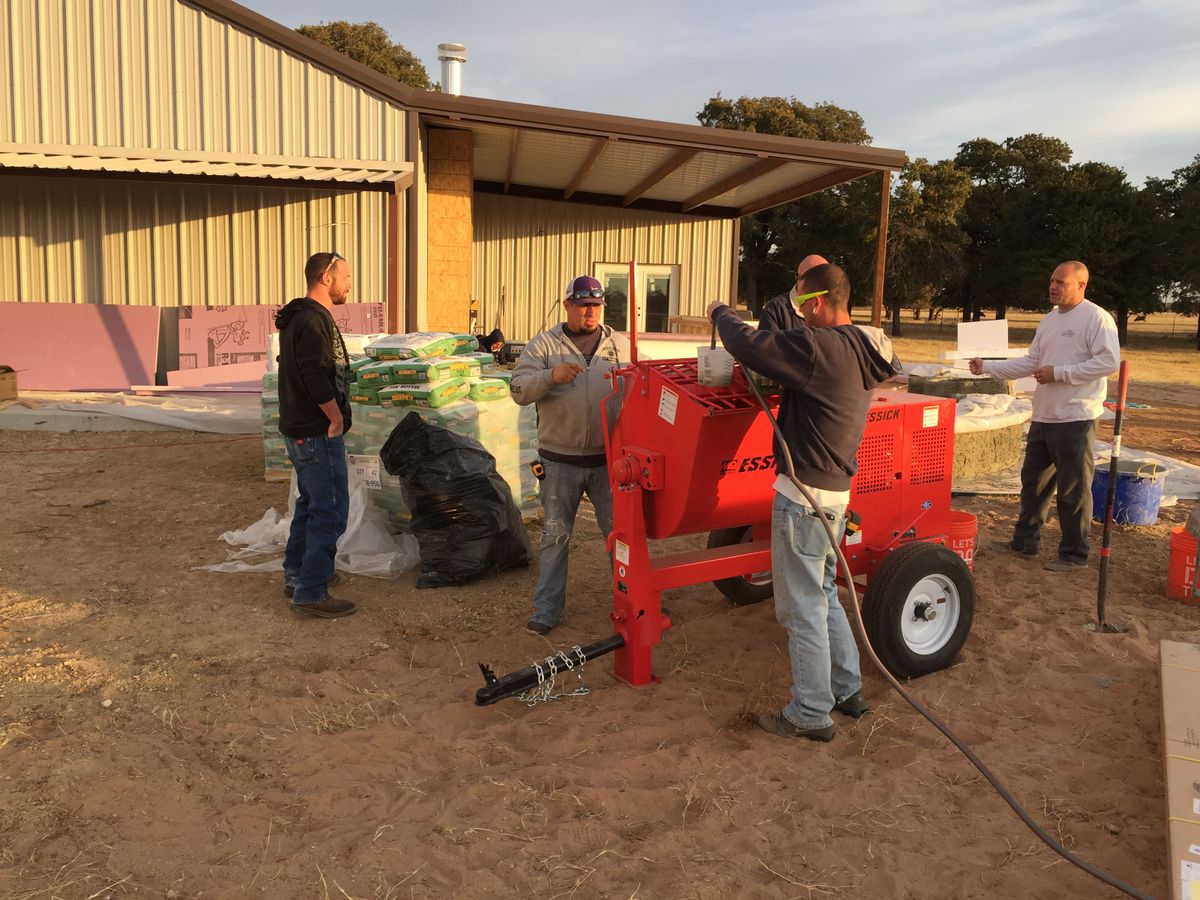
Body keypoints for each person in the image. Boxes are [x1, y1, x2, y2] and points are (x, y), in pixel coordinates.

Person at [708, 264, 896, 742]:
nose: (798, 314)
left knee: (801, 608)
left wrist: (721, 313)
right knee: (826, 594)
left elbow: (750, 346)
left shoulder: (819, 348)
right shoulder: (860, 346)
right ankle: (846, 689)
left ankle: (810, 713)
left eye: (800, 305)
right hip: (835, 493)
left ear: (815, 303)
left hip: (803, 496)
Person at [970, 261, 1119, 573]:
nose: (1053, 286)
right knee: (1033, 483)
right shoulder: (1050, 320)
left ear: (1081, 286)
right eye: (1052, 280)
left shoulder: (1096, 318)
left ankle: (1074, 554)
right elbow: (1031, 361)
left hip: (1076, 417)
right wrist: (987, 367)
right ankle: (1025, 542)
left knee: (1072, 489)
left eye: (1061, 282)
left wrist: (1060, 373)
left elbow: (1108, 362)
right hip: (1045, 415)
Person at [510, 276, 630, 636]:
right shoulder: (545, 345)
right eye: (582, 304)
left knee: (620, 539)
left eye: (595, 304)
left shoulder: (620, 345)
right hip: (559, 462)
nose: (589, 311)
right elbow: (517, 389)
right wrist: (550, 375)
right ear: (567, 306)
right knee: (555, 536)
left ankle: (634, 601)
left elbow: (647, 382)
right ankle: (546, 610)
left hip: (610, 463)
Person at [275, 252, 357, 618]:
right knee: (330, 511)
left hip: (302, 431)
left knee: (310, 506)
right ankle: (310, 593)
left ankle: (297, 575)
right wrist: (335, 417)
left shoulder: (300, 317)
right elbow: (313, 374)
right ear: (327, 277)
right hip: (316, 432)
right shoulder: (311, 320)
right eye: (346, 276)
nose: (349, 284)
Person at [757, 254, 828, 331]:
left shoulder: (835, 307)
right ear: (799, 279)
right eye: (814, 279)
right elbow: (766, 341)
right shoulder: (776, 310)